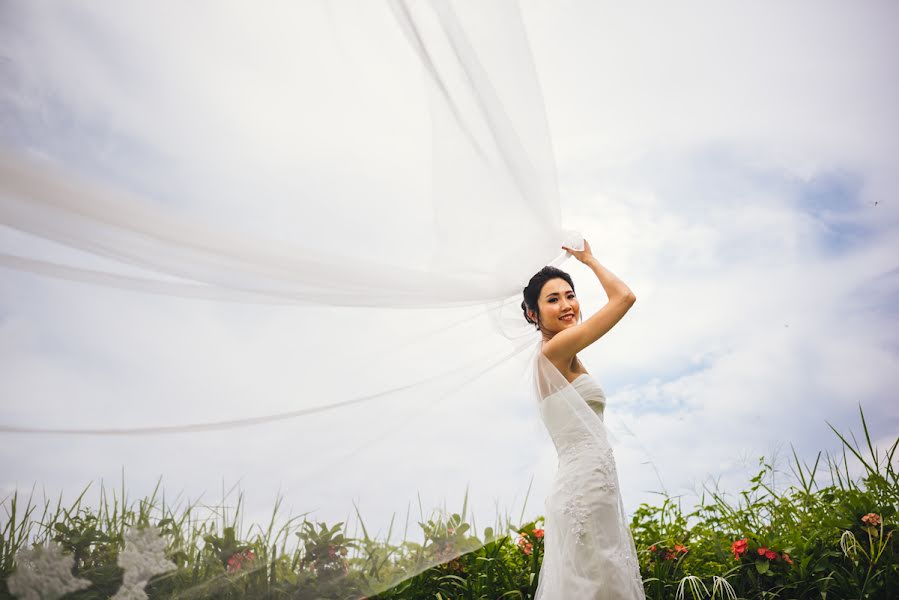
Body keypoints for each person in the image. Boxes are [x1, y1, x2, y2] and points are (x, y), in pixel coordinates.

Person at [521, 239, 646, 599]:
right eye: (553, 299)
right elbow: (624, 298)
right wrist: (589, 259)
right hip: (585, 490)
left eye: (570, 295)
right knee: (597, 584)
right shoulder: (554, 351)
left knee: (603, 580)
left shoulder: (566, 353)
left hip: (593, 485)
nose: (566, 305)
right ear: (533, 314)